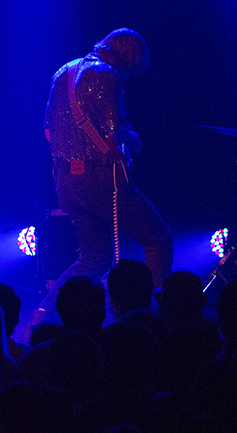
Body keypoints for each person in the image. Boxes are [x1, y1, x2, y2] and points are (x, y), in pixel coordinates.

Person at [39, 28, 172, 313]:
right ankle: (148, 316)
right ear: (128, 58)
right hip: (100, 180)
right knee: (158, 239)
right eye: (130, 71)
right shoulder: (107, 75)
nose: (127, 77)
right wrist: (132, 140)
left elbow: (48, 131)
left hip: (66, 181)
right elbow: (113, 133)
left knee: (94, 257)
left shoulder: (65, 70)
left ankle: (44, 314)